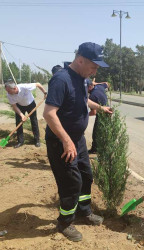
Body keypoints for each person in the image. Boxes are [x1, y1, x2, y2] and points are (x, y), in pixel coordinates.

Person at [43, 42, 112, 242]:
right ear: (80, 59)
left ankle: (84, 211)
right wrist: (66, 140)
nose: (96, 70)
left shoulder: (82, 79)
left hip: (78, 140)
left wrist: (100, 107)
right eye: (94, 65)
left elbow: (83, 101)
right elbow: (49, 113)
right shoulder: (61, 80)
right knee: (71, 182)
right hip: (61, 142)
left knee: (86, 176)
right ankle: (64, 222)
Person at [5, 80, 47, 148]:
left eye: (9, 91)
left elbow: (38, 84)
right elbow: (14, 106)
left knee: (34, 121)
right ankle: (20, 141)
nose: (8, 92)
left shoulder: (24, 87)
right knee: (19, 123)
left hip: (31, 104)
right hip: (20, 106)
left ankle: (37, 140)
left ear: (15, 88)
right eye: (7, 91)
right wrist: (22, 115)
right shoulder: (9, 95)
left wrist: (45, 92)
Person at [87, 78, 109, 154]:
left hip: (102, 115)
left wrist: (84, 115)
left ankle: (95, 150)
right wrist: (96, 83)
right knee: (105, 133)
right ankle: (105, 149)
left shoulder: (92, 97)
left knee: (96, 133)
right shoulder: (99, 86)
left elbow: (94, 112)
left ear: (89, 87)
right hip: (108, 112)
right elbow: (107, 83)